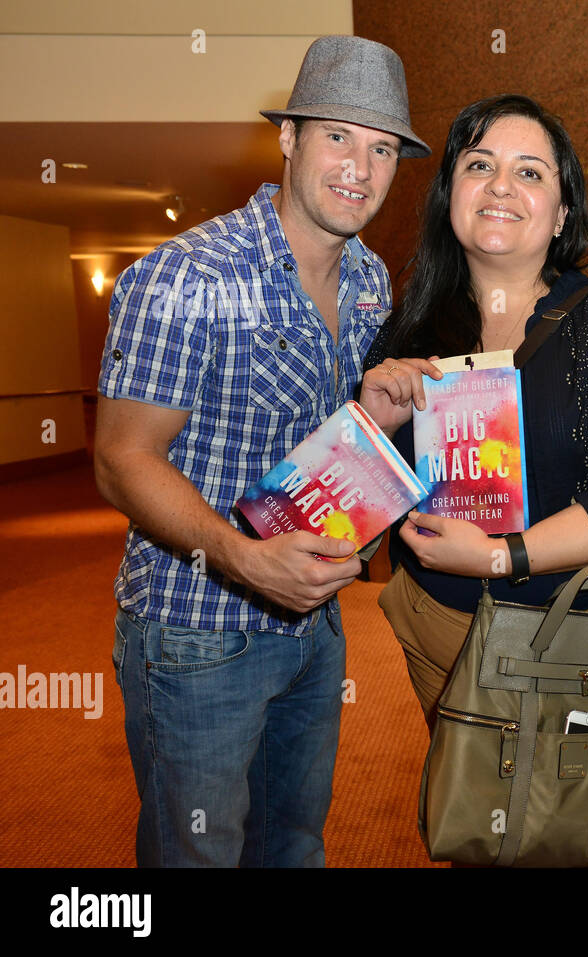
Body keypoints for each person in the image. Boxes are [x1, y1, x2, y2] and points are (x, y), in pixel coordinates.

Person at [95, 35, 430, 867]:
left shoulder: (369, 279)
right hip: (197, 629)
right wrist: (245, 561)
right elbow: (122, 460)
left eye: (382, 147)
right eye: (339, 136)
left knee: (292, 845)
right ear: (287, 138)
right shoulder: (187, 276)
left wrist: (371, 415)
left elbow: (316, 447)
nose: (361, 165)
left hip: (313, 624)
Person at [364, 94, 588, 740]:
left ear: (563, 211)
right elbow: (358, 526)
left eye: (531, 171)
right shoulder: (409, 327)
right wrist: (372, 423)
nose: (501, 185)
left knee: (568, 829)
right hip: (439, 631)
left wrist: (495, 556)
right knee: (474, 828)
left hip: (575, 637)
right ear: (450, 193)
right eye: (479, 165)